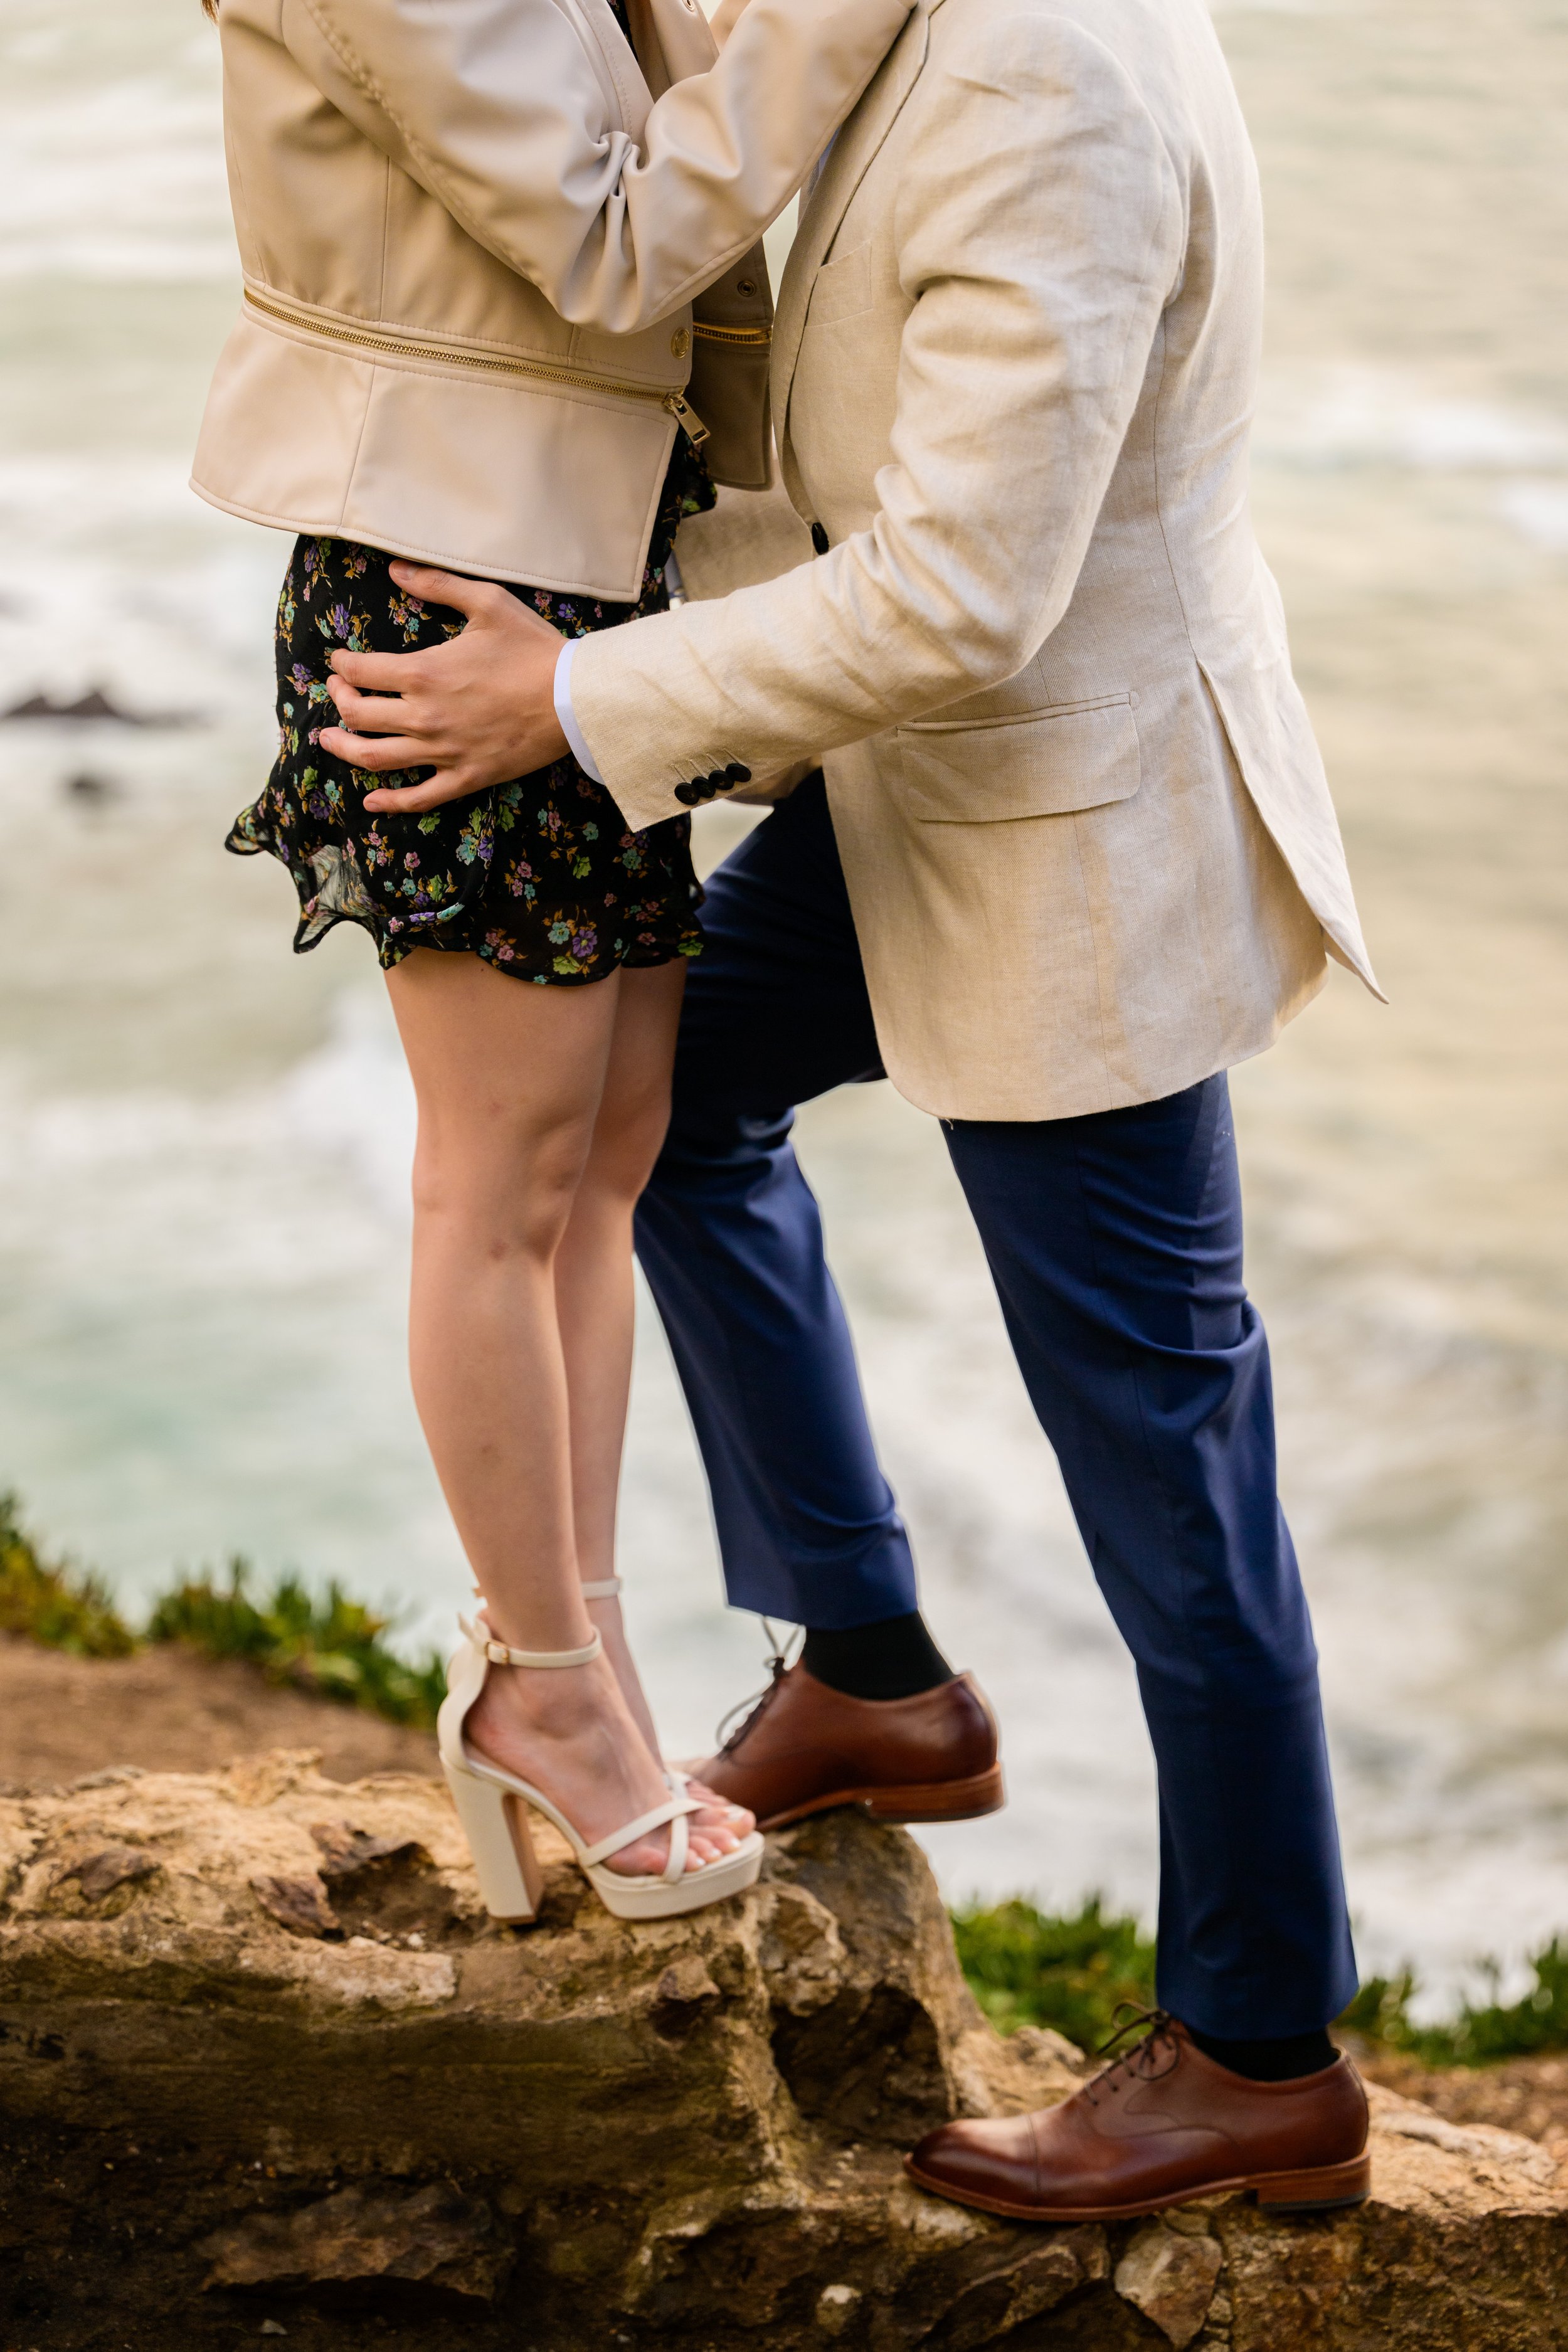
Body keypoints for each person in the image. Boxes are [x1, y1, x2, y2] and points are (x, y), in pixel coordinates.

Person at [317, 0, 1382, 2220]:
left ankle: (1259, 2048)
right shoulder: (929, 20)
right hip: (930, 789)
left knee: (1166, 1450)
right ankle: (876, 1669)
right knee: (662, 1110)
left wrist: (571, 695)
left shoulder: (1044, 72)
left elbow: (967, 592)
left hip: (1069, 832)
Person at [191, 0, 918, 1921]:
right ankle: (544, 1694)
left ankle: (570, 1675)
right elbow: (610, 240)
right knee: (502, 1186)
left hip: (588, 588)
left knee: (603, 1164)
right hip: (442, 586)